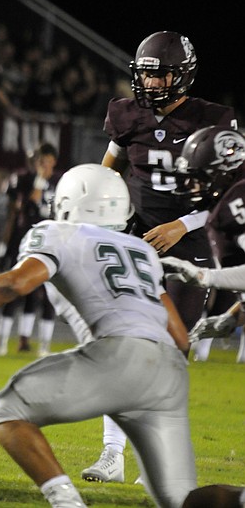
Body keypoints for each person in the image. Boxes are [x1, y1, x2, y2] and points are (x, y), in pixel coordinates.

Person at [0, 164, 194, 508]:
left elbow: (14, 283)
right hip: (168, 374)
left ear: (68, 202)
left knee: (4, 410)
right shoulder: (141, 251)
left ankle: (67, 503)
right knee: (182, 500)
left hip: (118, 354)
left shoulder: (58, 232)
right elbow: (181, 338)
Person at [84, 30, 238, 484]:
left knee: (169, 353)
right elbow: (103, 173)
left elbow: (233, 192)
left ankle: (152, 449)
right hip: (134, 239)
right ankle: (112, 453)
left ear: (183, 76)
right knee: (123, 343)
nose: (150, 84)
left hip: (190, 247)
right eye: (145, 75)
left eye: (160, 75)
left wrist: (183, 225)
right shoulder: (125, 115)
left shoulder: (214, 119)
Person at [157, 125, 245, 363]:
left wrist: (205, 277)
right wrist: (234, 315)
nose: (190, 187)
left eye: (199, 178)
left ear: (224, 174)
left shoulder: (234, 205)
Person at [0, 142, 58, 356]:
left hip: (51, 242)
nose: (43, 165)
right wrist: (39, 181)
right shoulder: (23, 178)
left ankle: (41, 345)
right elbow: (26, 205)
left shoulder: (61, 181)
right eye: (40, 161)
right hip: (23, 242)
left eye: (47, 161)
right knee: (13, 290)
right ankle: (1, 342)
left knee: (46, 295)